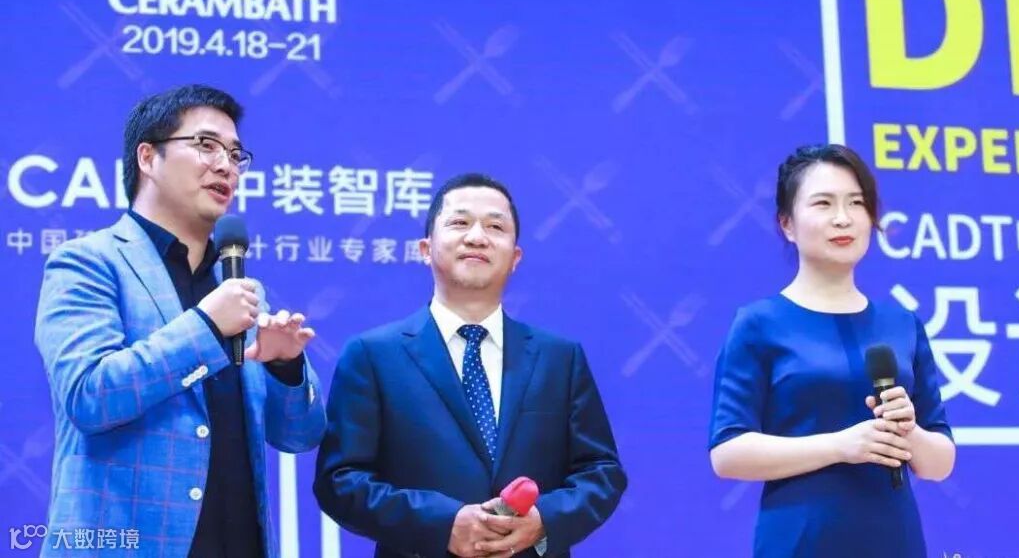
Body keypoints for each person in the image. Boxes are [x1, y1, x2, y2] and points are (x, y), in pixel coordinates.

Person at [35, 84, 326, 557]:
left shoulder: (238, 287)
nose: (226, 165)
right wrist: (207, 327)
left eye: (235, 154)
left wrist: (285, 367)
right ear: (148, 158)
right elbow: (89, 396)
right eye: (206, 145)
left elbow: (299, 435)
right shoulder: (88, 262)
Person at [315, 173, 626, 558]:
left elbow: (601, 472)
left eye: (495, 226)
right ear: (425, 249)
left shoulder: (560, 358)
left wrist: (543, 520)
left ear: (515, 258)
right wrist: (442, 523)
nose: (477, 237)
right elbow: (340, 481)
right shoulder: (372, 355)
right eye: (460, 222)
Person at [708, 144, 955, 557]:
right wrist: (841, 446)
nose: (843, 218)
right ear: (787, 224)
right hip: (800, 539)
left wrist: (908, 432)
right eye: (823, 203)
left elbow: (940, 464)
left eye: (856, 203)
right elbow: (728, 453)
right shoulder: (760, 323)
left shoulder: (902, 325)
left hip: (896, 539)